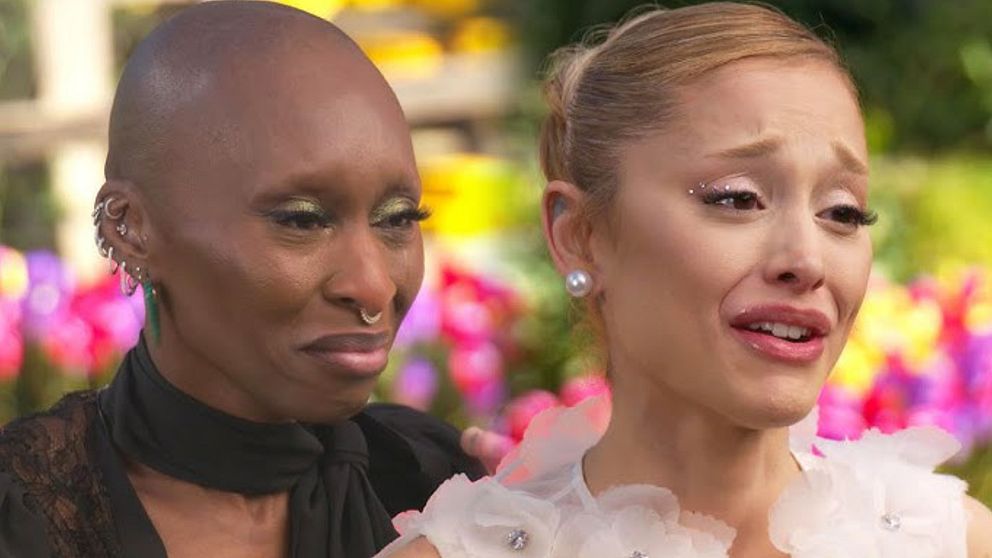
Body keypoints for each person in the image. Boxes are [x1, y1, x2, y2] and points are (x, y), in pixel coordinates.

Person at [380, 3, 992, 557]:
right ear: (581, 235)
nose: (807, 261)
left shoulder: (950, 541)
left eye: (843, 212)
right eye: (737, 198)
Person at [0, 2, 491, 557]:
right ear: (131, 228)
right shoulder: (26, 520)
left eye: (398, 219)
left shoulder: (435, 483)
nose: (373, 287)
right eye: (302, 220)